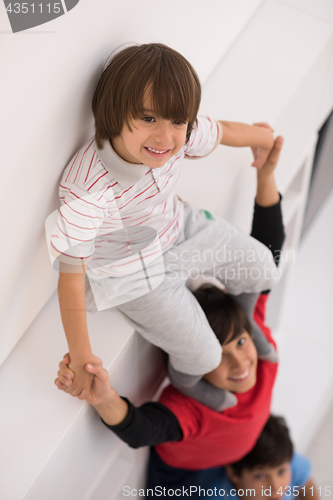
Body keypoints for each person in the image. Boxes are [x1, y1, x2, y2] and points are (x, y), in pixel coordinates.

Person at [50, 42, 280, 404]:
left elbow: (222, 131)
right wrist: (81, 355)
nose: (165, 137)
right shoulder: (87, 186)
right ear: (113, 111)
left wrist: (265, 139)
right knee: (206, 356)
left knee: (265, 267)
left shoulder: (180, 136)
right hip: (132, 274)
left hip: (179, 228)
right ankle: (186, 378)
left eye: (177, 121)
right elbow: (70, 276)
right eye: (147, 118)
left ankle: (243, 325)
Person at [55, 137, 285, 492]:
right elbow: (142, 429)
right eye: (221, 356)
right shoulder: (195, 408)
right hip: (185, 479)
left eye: (240, 342)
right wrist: (102, 396)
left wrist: (266, 175)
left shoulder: (261, 352)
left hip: (241, 452)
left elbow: (269, 252)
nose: (240, 362)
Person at [223, 415, 319, 500]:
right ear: (233, 473)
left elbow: (305, 483)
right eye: (260, 476)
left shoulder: (280, 460)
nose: (275, 488)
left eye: (281, 472)